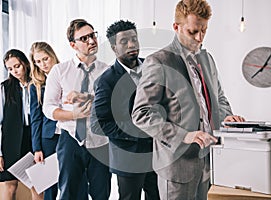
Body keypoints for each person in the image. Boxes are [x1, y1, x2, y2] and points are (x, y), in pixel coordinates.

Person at [131, 0, 245, 199]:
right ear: (176, 27)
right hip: (177, 165)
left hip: (209, 161)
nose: (200, 38)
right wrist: (184, 135)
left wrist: (227, 117)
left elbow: (219, 98)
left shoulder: (207, 59)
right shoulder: (158, 61)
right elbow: (141, 114)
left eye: (204, 31)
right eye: (193, 32)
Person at [43, 19, 111, 200]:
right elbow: (48, 108)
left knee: (101, 193)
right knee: (68, 193)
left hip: (100, 142)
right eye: (84, 38)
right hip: (70, 139)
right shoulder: (59, 71)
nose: (91, 41)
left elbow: (113, 104)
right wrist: (73, 114)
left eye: (93, 35)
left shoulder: (107, 71)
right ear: (73, 45)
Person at [91, 20, 160, 200]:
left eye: (134, 39)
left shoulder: (153, 67)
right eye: (124, 42)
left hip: (158, 152)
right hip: (127, 158)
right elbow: (98, 124)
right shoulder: (106, 81)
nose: (131, 45)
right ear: (114, 48)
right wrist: (138, 130)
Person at [29, 41, 89, 200]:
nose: (43, 64)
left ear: (52, 56)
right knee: (50, 184)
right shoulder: (36, 86)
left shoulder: (68, 73)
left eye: (45, 59)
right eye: (38, 61)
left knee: (77, 178)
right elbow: (36, 119)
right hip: (49, 138)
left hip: (71, 133)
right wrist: (37, 148)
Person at [0, 49, 42, 200]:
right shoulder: (4, 88)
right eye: (10, 69)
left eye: (17, 66)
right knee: (9, 184)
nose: (14, 71)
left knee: (37, 184)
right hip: (11, 142)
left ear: (25, 63)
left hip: (34, 137)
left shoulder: (38, 83)